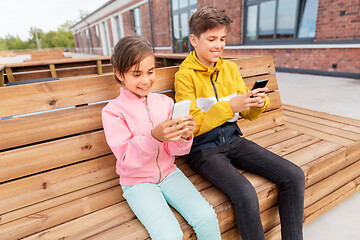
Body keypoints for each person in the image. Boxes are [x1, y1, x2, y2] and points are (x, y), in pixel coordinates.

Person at [174, 6, 305, 240]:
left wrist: (257, 103)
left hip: (234, 140)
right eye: (211, 39)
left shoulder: (230, 69)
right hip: (203, 150)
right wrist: (229, 107)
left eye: (223, 39)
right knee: (245, 193)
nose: (218, 45)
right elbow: (192, 125)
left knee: (294, 175)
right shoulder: (185, 76)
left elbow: (248, 115)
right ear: (194, 40)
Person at [102, 35, 221, 240]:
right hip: (137, 183)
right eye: (137, 74)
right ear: (120, 74)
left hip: (169, 174)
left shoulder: (165, 103)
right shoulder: (113, 112)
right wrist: (153, 138)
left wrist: (184, 135)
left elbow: (175, 151)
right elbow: (125, 160)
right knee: (169, 235)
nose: (146, 80)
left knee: (207, 217)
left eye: (151, 72)